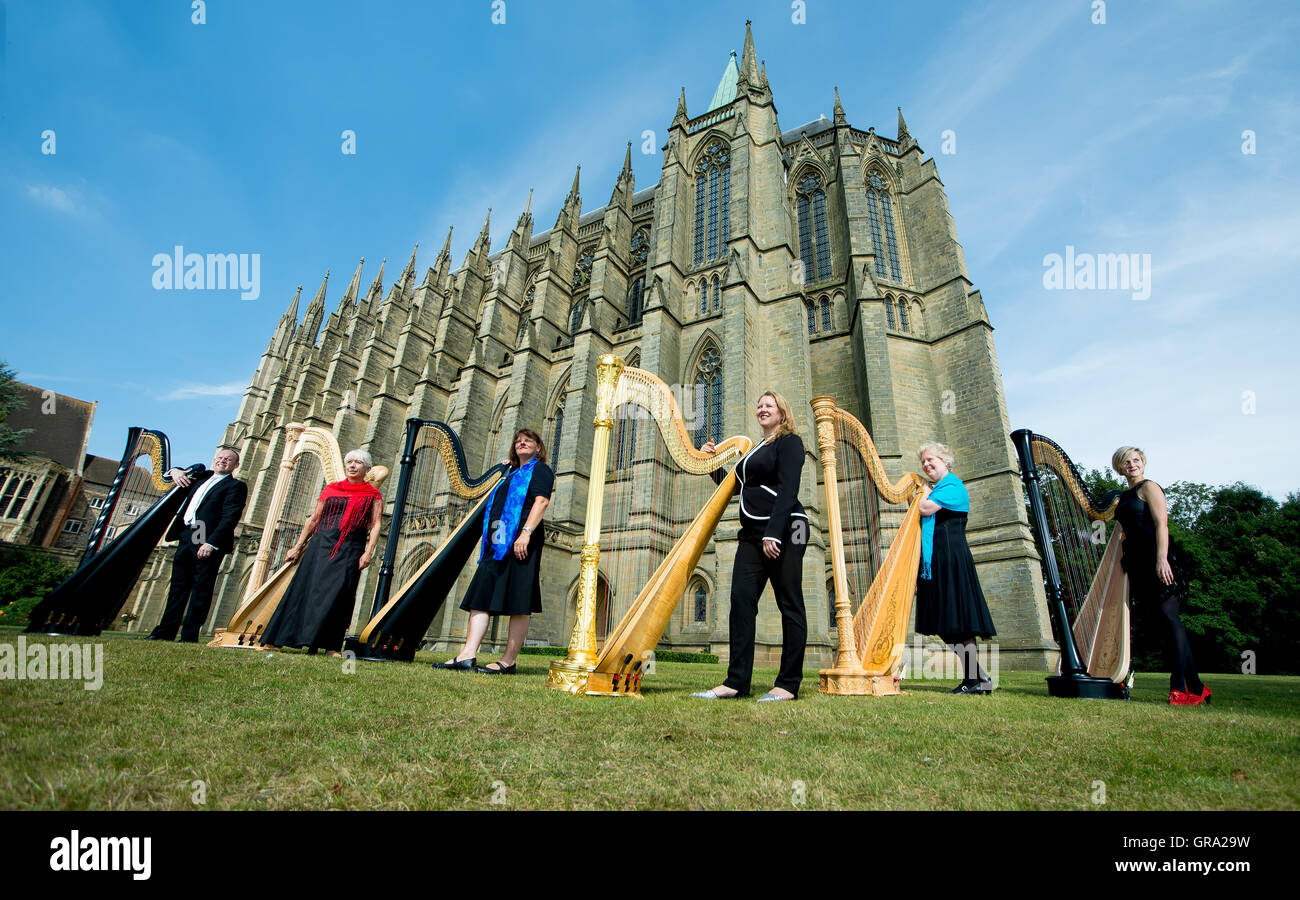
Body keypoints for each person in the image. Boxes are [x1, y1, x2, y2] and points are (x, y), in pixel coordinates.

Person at [692, 391, 809, 702]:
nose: (762, 408)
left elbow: (788, 488)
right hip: (752, 533)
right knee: (741, 602)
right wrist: (710, 463)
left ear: (782, 412)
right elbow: (736, 488)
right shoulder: (757, 448)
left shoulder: (790, 443)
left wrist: (775, 532)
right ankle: (735, 682)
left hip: (788, 528)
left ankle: (787, 685)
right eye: (759, 405)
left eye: (769, 405)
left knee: (790, 603)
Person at [431, 429, 553, 674]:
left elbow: (541, 501)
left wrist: (526, 533)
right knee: (481, 595)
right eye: (518, 440)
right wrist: (503, 469)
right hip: (498, 542)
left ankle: (508, 661)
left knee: (519, 600)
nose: (522, 443)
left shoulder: (541, 470)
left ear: (538, 448)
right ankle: (467, 654)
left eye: (528, 441)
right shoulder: (509, 473)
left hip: (521, 539)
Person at [260, 449, 383, 656]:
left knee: (339, 594)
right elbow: (314, 519)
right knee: (306, 589)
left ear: (367, 469)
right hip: (321, 544)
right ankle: (283, 638)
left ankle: (331, 645)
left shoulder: (373, 494)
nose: (352, 466)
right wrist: (298, 545)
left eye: (358, 463)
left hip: (350, 546)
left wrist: (368, 552)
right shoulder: (331, 489)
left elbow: (376, 524)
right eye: (349, 462)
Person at [1112, 446, 1209, 706]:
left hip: (1159, 559)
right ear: (1119, 468)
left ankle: (1178, 686)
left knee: (1169, 617)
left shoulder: (1149, 487)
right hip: (1138, 563)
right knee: (1166, 625)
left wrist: (1162, 559)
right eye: (1126, 462)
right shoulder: (1123, 496)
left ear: (1143, 462)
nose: (1132, 465)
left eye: (1136, 460)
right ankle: (1198, 688)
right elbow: (1126, 531)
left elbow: (1161, 525)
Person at [914, 442, 997, 694]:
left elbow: (924, 508)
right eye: (924, 462)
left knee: (957, 620)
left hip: (951, 558)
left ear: (945, 461)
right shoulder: (936, 489)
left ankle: (974, 679)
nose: (927, 465)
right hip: (935, 560)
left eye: (931, 460)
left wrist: (922, 493)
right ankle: (978, 677)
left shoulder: (953, 486)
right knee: (943, 621)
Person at [149, 445, 248, 642]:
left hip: (207, 536)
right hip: (190, 532)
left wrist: (211, 543)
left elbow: (230, 517)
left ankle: (189, 635)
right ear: (214, 460)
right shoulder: (202, 477)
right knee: (178, 585)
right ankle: (165, 631)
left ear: (236, 465)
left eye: (228, 459)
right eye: (220, 457)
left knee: (201, 586)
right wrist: (174, 471)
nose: (222, 461)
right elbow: (174, 472)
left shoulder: (235, 486)